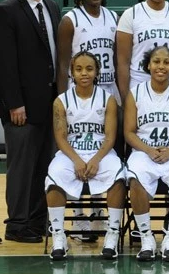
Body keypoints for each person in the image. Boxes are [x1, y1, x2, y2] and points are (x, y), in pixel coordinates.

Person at [0, 0, 61, 243]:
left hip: (49, 104)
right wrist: (14, 103)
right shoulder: (6, 11)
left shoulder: (52, 8)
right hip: (20, 107)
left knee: (44, 167)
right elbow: (3, 63)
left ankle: (37, 220)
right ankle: (17, 224)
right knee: (21, 169)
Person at [55, 0, 120, 242]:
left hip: (108, 92)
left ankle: (99, 213)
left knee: (103, 155)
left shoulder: (113, 17)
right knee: (78, 153)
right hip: (78, 96)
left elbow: (118, 59)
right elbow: (62, 63)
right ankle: (80, 216)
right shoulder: (70, 20)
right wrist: (62, 98)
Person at [45, 51, 127, 261]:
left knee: (118, 176)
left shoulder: (108, 99)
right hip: (71, 153)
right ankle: (58, 236)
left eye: (89, 69)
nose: (84, 73)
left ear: (97, 72)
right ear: (72, 72)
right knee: (54, 175)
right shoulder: (61, 101)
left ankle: (112, 234)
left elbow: (110, 137)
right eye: (79, 69)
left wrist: (96, 159)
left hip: (101, 152)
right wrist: (77, 160)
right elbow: (60, 137)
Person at [123, 45, 169, 262]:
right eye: (156, 61)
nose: (161, 66)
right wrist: (148, 149)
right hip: (144, 150)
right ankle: (146, 237)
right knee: (135, 177)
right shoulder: (136, 93)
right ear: (148, 65)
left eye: (166, 62)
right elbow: (129, 132)